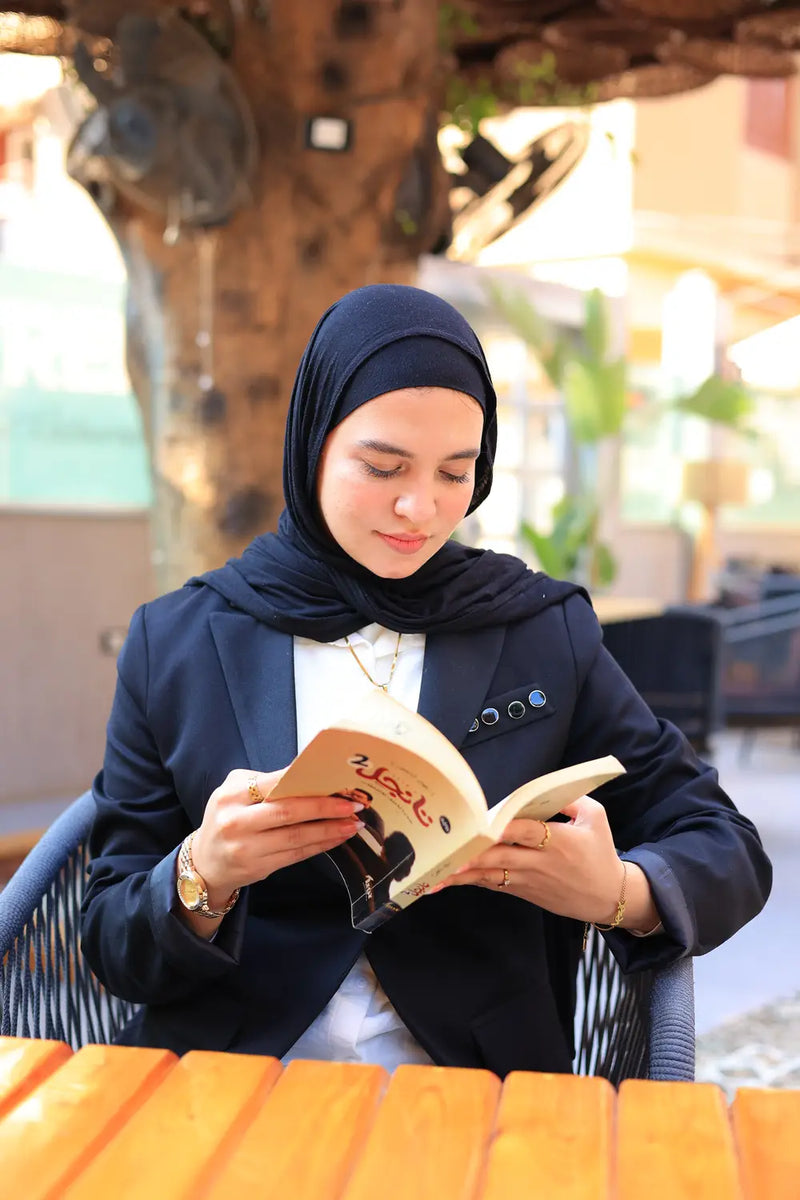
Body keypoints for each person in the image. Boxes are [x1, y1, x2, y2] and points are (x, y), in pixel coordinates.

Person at [82, 283, 771, 1076]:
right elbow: (109, 937)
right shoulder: (180, 641)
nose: (420, 507)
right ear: (312, 444)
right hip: (235, 1077)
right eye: (383, 467)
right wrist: (202, 875)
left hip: (477, 1082)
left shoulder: (536, 630)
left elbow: (727, 847)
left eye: (456, 472)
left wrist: (616, 891)